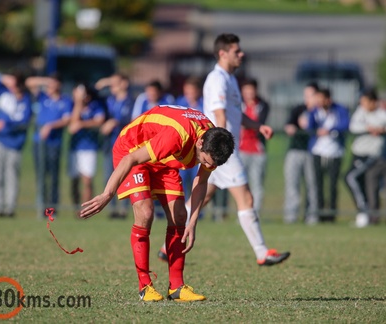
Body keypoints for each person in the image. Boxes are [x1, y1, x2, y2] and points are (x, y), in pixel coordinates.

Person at [158, 33, 290, 266]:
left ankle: (166, 246)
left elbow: (235, 115)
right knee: (246, 198)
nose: (241, 54)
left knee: (203, 197)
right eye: (236, 51)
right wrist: (221, 147)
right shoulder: (217, 79)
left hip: (222, 148)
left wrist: (258, 126)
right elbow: (219, 115)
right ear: (223, 53)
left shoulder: (230, 79)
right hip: (222, 150)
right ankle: (262, 253)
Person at [79, 105, 235, 302]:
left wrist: (193, 221)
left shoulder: (214, 141)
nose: (207, 166)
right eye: (204, 161)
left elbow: (201, 181)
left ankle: (177, 288)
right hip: (132, 150)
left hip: (164, 159)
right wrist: (106, 194)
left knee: (180, 216)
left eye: (212, 165)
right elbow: (132, 158)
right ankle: (145, 286)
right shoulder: (178, 135)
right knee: (145, 213)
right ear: (200, 142)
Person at [25, 73, 73, 218]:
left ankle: (52, 210)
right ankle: (41, 208)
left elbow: (66, 120)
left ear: (59, 85)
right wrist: (46, 81)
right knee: (41, 176)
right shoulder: (42, 97)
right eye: (48, 84)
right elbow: (29, 82)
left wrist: (50, 126)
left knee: (53, 177)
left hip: (54, 143)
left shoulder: (65, 101)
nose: (49, 87)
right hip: (38, 142)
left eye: (53, 84)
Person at [0, 72, 32, 217]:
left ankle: (9, 209)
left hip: (15, 145)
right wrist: (5, 78)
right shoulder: (5, 94)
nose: (14, 87)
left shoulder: (26, 101)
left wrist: (4, 125)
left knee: (11, 177)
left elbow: (23, 123)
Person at [344, 89, 386, 227]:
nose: (362, 105)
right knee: (360, 181)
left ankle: (364, 211)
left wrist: (381, 129)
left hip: (372, 155)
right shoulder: (360, 112)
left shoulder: (382, 115)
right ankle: (365, 212)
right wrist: (369, 128)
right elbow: (353, 127)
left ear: (373, 102)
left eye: (365, 102)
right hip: (358, 153)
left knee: (351, 177)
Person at [308, 88, 350, 222]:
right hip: (318, 151)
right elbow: (309, 126)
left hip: (335, 152)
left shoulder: (339, 110)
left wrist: (331, 130)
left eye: (322, 99)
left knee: (332, 184)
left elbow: (345, 124)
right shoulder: (314, 111)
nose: (319, 102)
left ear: (328, 99)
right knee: (318, 183)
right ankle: (319, 214)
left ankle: (331, 215)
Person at [95, 73, 134, 219]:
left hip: (125, 147)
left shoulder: (130, 101)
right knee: (108, 176)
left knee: (123, 177)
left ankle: (123, 210)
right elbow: (94, 92)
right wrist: (106, 81)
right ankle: (111, 208)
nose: (112, 86)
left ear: (124, 84)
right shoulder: (109, 100)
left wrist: (115, 122)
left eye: (115, 83)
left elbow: (130, 118)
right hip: (109, 145)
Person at [283, 82, 319, 225]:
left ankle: (312, 216)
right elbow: (289, 125)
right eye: (306, 95)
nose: (307, 98)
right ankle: (291, 216)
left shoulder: (318, 112)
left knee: (312, 185)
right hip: (295, 151)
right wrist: (291, 127)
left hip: (312, 152)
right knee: (292, 184)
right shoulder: (298, 109)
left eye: (310, 95)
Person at [68, 84, 105, 211]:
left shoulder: (95, 106)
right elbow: (72, 124)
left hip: (90, 148)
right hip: (75, 148)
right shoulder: (73, 105)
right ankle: (76, 210)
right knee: (74, 181)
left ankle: (86, 209)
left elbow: (99, 121)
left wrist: (82, 124)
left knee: (87, 181)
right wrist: (78, 103)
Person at [239, 78, 270, 213]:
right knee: (240, 184)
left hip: (257, 150)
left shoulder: (263, 105)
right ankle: (243, 211)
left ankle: (254, 213)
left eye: (251, 89)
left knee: (256, 184)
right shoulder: (238, 105)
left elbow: (259, 124)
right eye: (246, 90)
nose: (249, 92)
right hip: (240, 150)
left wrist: (249, 125)